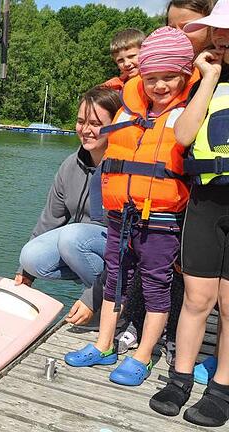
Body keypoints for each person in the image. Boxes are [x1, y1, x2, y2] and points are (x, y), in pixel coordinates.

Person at [64, 27, 199, 387]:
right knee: (114, 280)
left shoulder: (185, 114)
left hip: (161, 218)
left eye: (169, 77)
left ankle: (142, 355)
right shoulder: (126, 106)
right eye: (152, 77)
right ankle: (104, 344)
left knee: (156, 286)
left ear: (184, 76)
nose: (159, 85)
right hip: (120, 214)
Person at [150, 2, 229, 425]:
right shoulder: (205, 80)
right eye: (216, 30)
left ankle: (221, 388)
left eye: (227, 31)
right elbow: (183, 134)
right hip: (205, 202)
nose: (219, 37)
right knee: (197, 298)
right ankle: (180, 378)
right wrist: (211, 77)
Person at [15, 86, 122, 326]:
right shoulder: (70, 165)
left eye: (95, 123)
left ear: (115, 124)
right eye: (81, 121)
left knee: (72, 237)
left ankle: (109, 301)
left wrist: (90, 298)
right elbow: (50, 219)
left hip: (122, 252)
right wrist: (25, 273)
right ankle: (102, 298)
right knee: (31, 255)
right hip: (85, 248)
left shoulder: (125, 167)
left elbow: (132, 242)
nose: (85, 130)